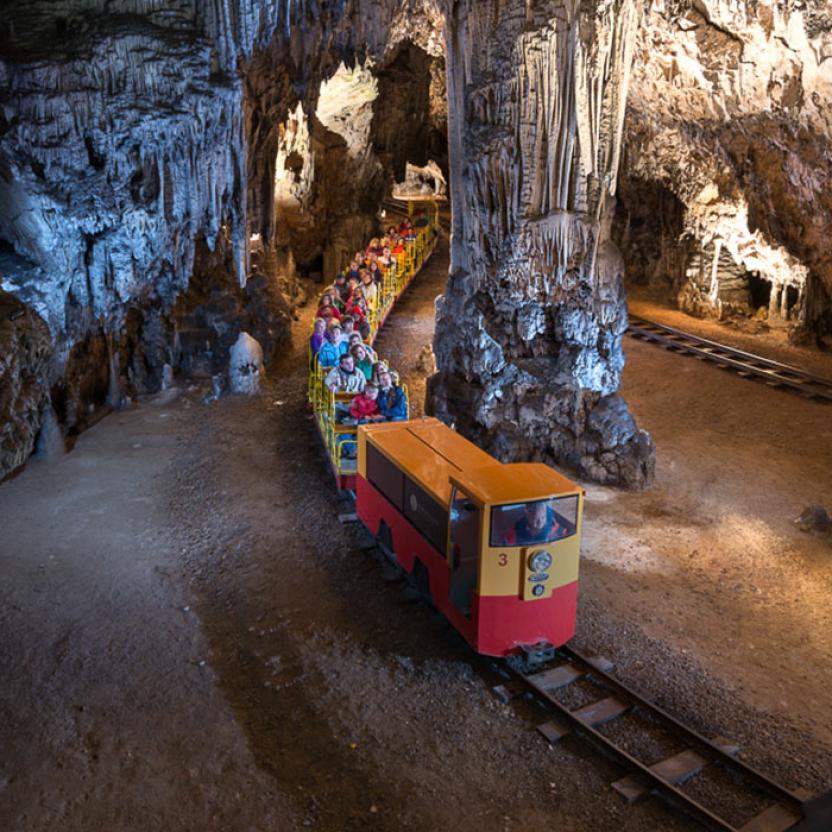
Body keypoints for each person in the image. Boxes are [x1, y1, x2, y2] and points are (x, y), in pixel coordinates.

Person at [500, 500, 568, 546]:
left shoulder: (560, 533)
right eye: (536, 519)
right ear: (527, 514)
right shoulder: (515, 532)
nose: (540, 522)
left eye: (543, 517)